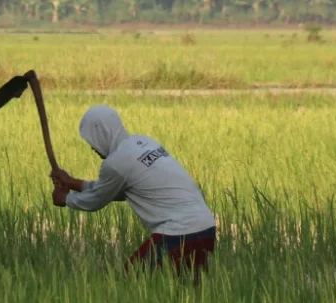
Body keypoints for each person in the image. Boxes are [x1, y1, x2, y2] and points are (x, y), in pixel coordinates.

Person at [51, 105, 217, 281]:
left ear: (102, 134)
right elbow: (119, 190)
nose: (92, 148)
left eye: (92, 141)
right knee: (186, 294)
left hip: (177, 231)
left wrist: (66, 199)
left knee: (129, 285)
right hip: (206, 227)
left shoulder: (116, 163)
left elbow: (97, 200)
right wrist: (72, 182)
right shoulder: (144, 142)